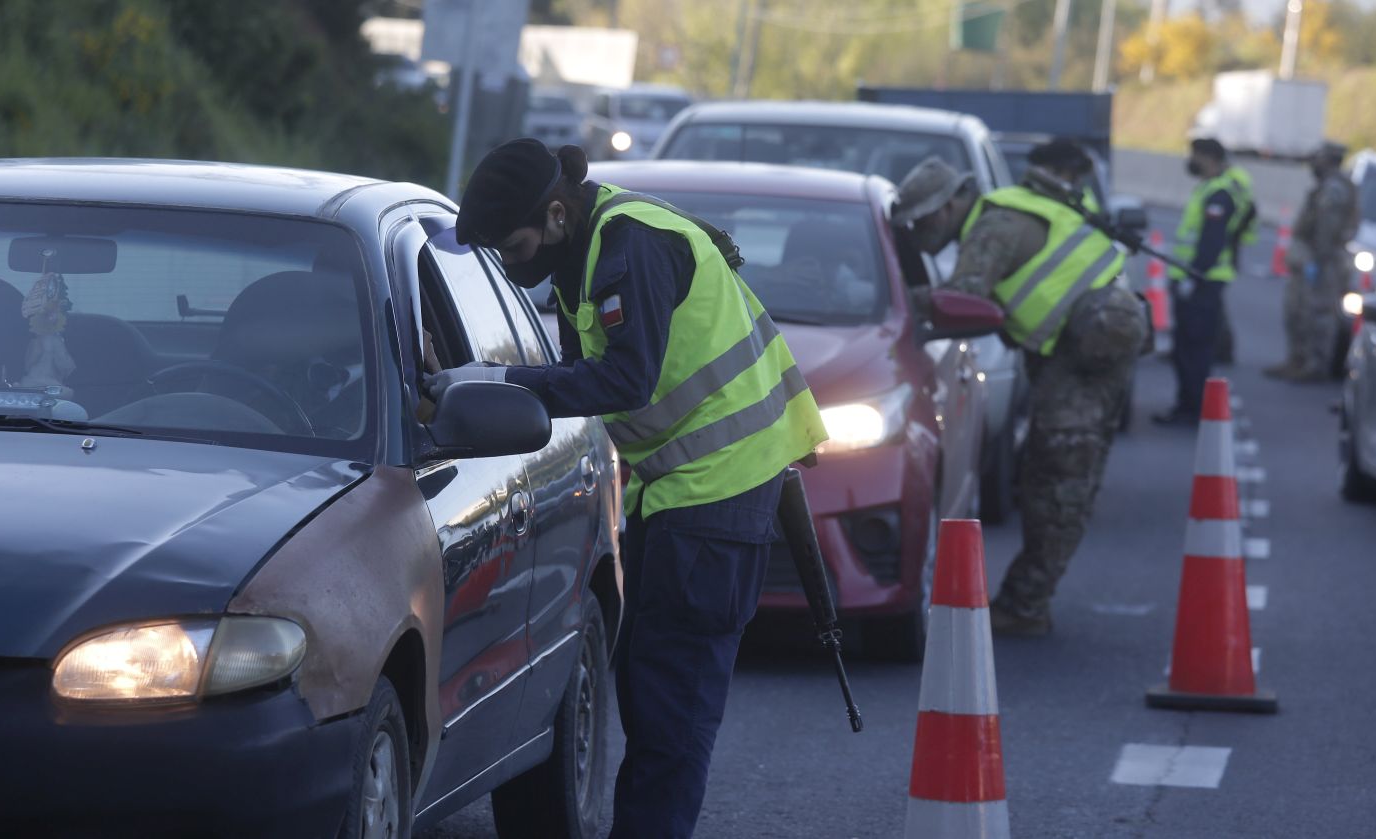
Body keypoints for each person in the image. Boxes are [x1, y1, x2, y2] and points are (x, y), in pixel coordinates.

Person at [428, 138, 827, 839]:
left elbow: (624, 379)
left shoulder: (628, 248)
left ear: (555, 213)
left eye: (514, 246)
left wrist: (501, 382)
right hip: (684, 495)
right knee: (650, 700)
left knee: (669, 719)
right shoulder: (594, 244)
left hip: (715, 496)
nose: (513, 265)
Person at [894, 143, 1148, 637]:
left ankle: (1026, 605)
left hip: (1085, 359)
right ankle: (1026, 600)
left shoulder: (990, 228)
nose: (919, 237)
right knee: (1046, 475)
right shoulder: (1005, 211)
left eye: (922, 223)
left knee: (1058, 480)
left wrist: (893, 301)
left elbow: (962, 297)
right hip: (1077, 352)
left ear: (948, 206)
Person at [1154, 138, 1247, 425]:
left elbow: (1211, 243)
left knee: (1195, 349)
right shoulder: (1207, 188)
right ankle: (1187, 405)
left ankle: (1193, 409)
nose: (1191, 161)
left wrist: (1193, 278)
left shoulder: (1219, 195)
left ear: (1210, 158)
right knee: (1185, 346)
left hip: (1203, 283)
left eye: (1195, 155)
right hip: (1195, 280)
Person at [1265, 141, 1358, 383]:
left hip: (1322, 261)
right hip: (1311, 259)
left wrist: (1318, 261)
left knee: (1318, 314)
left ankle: (1316, 365)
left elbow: (1327, 230)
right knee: (1297, 311)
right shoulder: (1325, 187)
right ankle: (1297, 360)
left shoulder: (1335, 189)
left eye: (1318, 159)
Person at [1217, 161, 1260, 364]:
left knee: (1214, 303)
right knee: (1215, 303)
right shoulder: (1235, 178)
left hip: (1226, 246)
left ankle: (1223, 348)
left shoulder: (1231, 181)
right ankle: (1221, 347)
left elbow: (1242, 211)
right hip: (1230, 244)